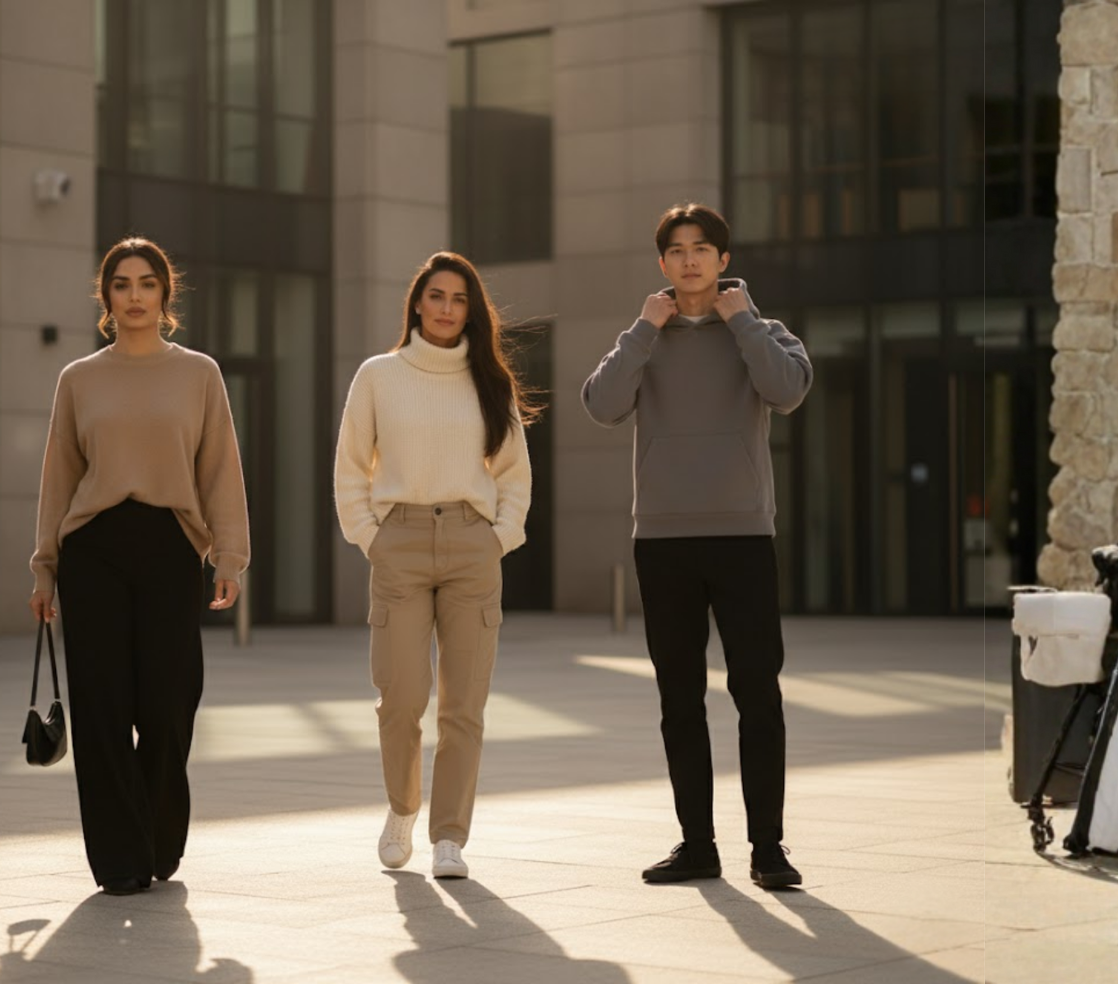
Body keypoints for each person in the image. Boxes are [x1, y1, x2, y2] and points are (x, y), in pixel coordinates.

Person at [580, 204, 812, 890]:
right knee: (679, 700)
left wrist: (743, 322)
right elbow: (601, 405)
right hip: (663, 539)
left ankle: (768, 848)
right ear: (662, 263)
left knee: (757, 693)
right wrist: (642, 330)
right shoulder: (643, 337)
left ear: (722, 259)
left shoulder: (763, 332)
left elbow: (787, 391)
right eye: (676, 250)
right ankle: (697, 846)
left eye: (701, 248)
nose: (689, 260)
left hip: (743, 536)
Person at [30, 237, 249, 896]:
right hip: (92, 550)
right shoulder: (78, 379)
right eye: (121, 284)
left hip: (168, 546)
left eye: (146, 283)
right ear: (106, 297)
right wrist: (44, 567)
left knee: (167, 704)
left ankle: (158, 834)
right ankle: (119, 858)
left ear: (164, 294)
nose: (134, 296)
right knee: (101, 707)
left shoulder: (199, 374)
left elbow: (219, 468)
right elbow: (58, 477)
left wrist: (230, 555)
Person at [333, 251, 536, 881]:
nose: (447, 309)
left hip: (473, 543)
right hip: (399, 540)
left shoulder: (490, 382)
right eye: (437, 296)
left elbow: (514, 474)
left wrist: (498, 538)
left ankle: (450, 836)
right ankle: (402, 808)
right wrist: (371, 537)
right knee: (400, 696)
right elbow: (350, 466)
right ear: (418, 303)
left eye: (459, 299)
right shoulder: (378, 375)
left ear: (471, 311)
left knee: (463, 705)